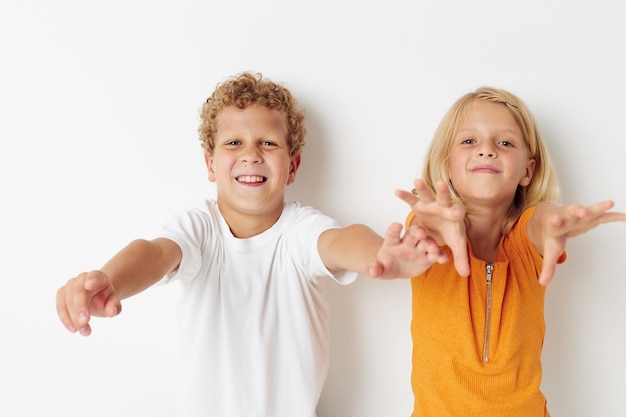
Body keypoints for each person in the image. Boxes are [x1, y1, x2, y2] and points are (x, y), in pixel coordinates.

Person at [55, 72, 439, 417]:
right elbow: (154, 253)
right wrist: (110, 279)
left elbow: (340, 242)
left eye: (268, 143)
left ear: (292, 167)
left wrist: (384, 254)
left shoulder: (300, 231)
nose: (251, 155)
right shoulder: (200, 227)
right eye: (234, 142)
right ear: (210, 164)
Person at [394, 86, 626, 417]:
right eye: (469, 141)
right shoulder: (429, 236)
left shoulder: (525, 240)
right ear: (447, 163)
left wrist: (556, 222)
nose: (487, 150)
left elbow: (541, 221)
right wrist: (430, 226)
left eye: (505, 143)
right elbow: (427, 227)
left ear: (527, 171)